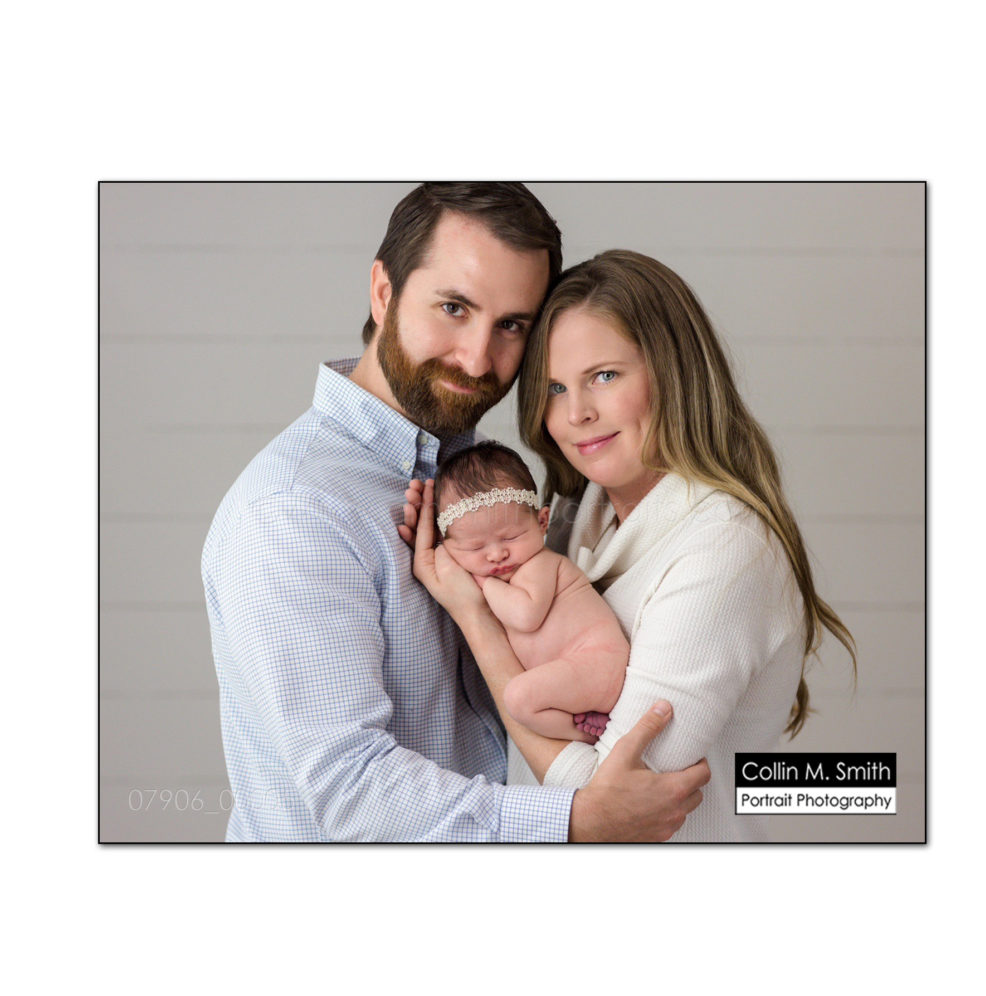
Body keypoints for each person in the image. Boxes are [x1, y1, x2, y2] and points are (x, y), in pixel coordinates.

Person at [201, 183, 709, 842]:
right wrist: (575, 819)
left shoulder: (478, 472)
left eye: (511, 326)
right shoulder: (296, 511)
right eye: (453, 308)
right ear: (383, 292)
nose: (477, 359)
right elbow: (350, 791)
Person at [409, 248, 856, 842]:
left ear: (672, 374)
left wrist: (472, 615)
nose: (576, 414)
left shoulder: (725, 550)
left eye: (605, 376)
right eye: (555, 387)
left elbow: (608, 804)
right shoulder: (572, 518)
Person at [429, 440, 628, 741]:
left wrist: (484, 582)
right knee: (521, 701)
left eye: (510, 537)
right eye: (475, 547)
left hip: (598, 662)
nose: (496, 555)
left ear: (541, 522)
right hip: (574, 675)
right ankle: (589, 726)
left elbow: (525, 616)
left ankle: (594, 737)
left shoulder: (541, 565)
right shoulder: (506, 579)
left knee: (518, 698)